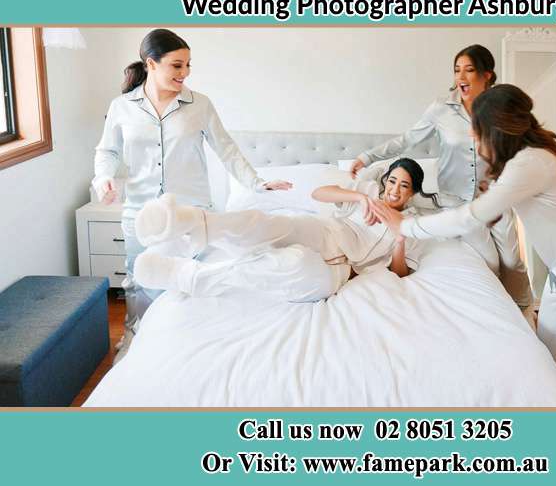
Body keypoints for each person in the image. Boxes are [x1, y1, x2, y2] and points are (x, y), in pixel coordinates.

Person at [370, 84, 556, 407]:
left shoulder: (533, 162)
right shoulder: (520, 162)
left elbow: (469, 217)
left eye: (477, 132)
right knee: (555, 358)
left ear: (495, 130)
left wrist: (406, 226)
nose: (473, 140)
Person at [91, 29, 291, 359]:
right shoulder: (122, 106)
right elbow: (107, 151)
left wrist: (257, 183)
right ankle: (136, 342)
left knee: (187, 280)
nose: (184, 74)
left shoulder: (200, 105)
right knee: (139, 282)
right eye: (176, 66)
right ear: (150, 64)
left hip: (190, 212)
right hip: (140, 213)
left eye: (187, 66)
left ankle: (185, 348)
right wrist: (104, 178)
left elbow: (226, 149)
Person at [349, 44, 532, 310]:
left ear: (488, 75)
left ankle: (525, 313)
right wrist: (367, 157)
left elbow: (516, 150)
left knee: (513, 262)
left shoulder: (500, 111)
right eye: (457, 70)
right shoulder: (441, 109)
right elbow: (408, 140)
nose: (461, 77)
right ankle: (500, 311)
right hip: (458, 203)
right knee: (490, 262)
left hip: (496, 197)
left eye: (469, 70)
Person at [132, 159, 437, 301]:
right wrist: (359, 197)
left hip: (339, 272)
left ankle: (184, 275)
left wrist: (400, 237)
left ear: (412, 193)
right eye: (393, 181)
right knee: (273, 224)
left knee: (294, 265)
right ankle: (188, 222)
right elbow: (320, 193)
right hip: (325, 232)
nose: (395, 190)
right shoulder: (367, 192)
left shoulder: (410, 224)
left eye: (404, 186)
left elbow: (399, 273)